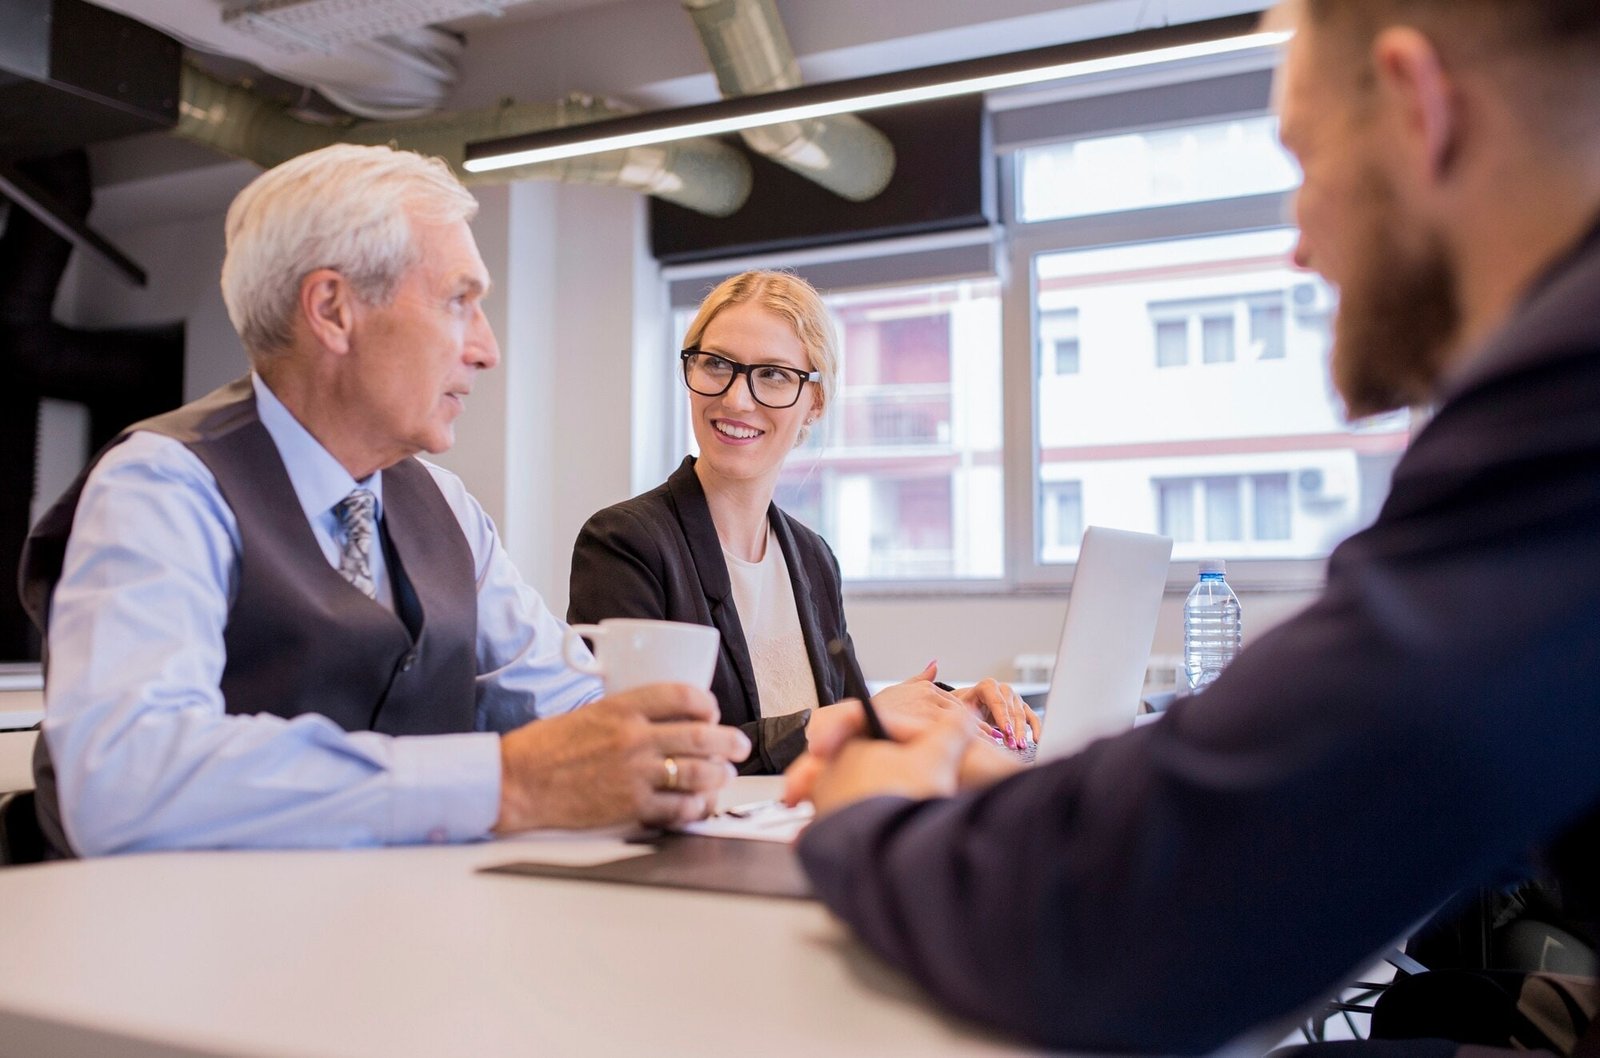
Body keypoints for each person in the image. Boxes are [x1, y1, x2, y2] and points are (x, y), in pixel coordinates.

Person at [786, 0, 1600, 1053]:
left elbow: (1133, 928)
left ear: (1416, 107)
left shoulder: (1563, 404)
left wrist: (873, 813)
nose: (1301, 244)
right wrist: (1046, 793)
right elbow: (1375, 774)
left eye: (1304, 162)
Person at [18, 144, 747, 857]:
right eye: (460, 302)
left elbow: (562, 698)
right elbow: (122, 780)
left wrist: (658, 751)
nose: (487, 349)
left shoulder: (444, 505)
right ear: (333, 309)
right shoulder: (163, 485)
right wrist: (504, 783)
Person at [569, 270, 1038, 774]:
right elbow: (641, 753)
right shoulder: (624, 544)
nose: (736, 398)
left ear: (814, 402)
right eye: (715, 365)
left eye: (772, 374)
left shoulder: (813, 558)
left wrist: (945, 711)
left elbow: (840, 722)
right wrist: (856, 718)